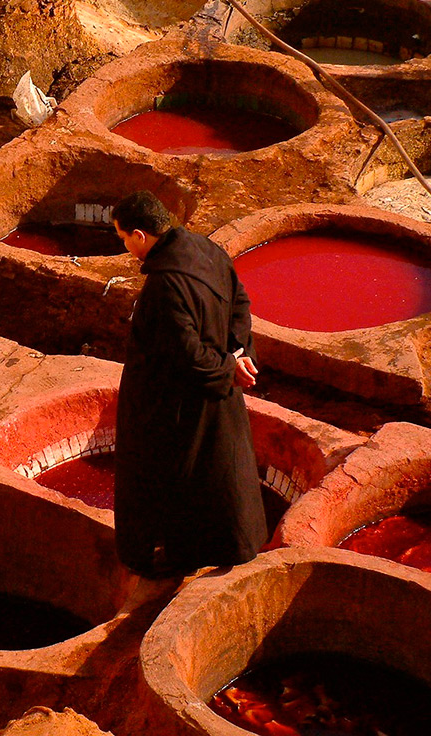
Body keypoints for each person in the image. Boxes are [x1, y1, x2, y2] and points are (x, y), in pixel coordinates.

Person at [111, 191, 267, 611]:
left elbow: (186, 353)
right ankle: (234, 544)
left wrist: (227, 367)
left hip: (178, 404)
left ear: (141, 235)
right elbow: (240, 303)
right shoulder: (206, 247)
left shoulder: (165, 284)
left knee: (169, 480)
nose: (125, 247)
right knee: (221, 475)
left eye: (124, 238)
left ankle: (165, 558)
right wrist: (239, 352)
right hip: (217, 394)